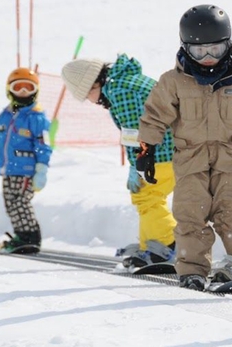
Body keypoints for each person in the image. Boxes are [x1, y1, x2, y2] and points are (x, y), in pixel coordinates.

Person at [137, 4, 232, 291]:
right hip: (190, 159)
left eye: (215, 50)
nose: (207, 58)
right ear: (185, 48)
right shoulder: (174, 81)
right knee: (189, 215)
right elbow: (154, 116)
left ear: (228, 45)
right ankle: (192, 269)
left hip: (231, 159)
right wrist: (147, 150)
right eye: (199, 51)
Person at [60, 54, 177, 269]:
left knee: (147, 196)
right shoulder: (123, 81)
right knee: (145, 195)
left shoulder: (120, 91)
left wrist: (136, 165)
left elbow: (135, 134)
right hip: (168, 147)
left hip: (163, 151)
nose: (91, 101)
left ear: (93, 84)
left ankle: (167, 244)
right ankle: (150, 244)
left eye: (87, 95)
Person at [0, 67, 53, 254]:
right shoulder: (5, 115)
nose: (23, 92)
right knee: (10, 202)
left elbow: (44, 144)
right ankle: (21, 235)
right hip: (9, 169)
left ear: (36, 91)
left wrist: (41, 168)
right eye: (19, 87)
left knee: (20, 202)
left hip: (26, 170)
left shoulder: (37, 117)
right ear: (9, 90)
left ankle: (30, 236)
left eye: (28, 88)